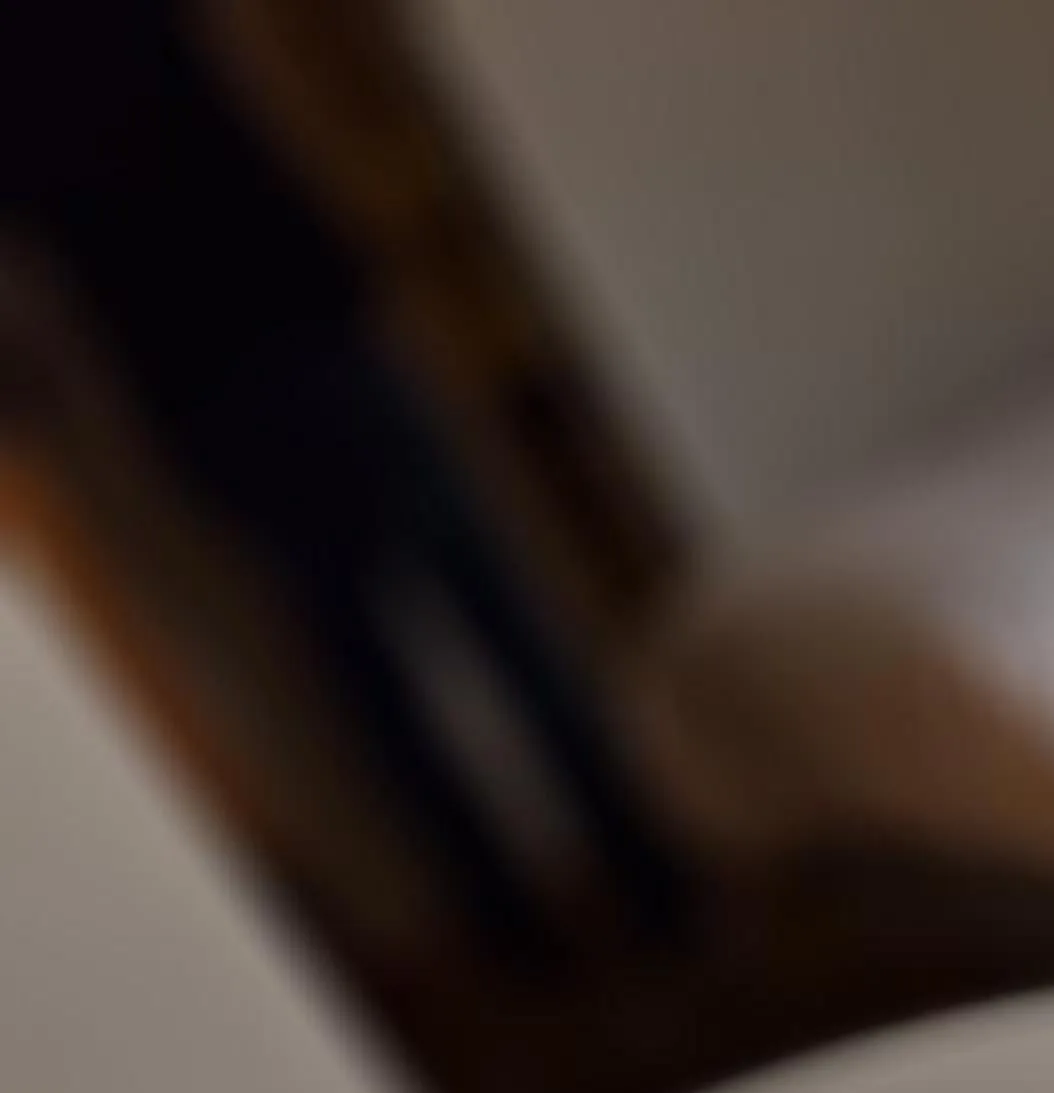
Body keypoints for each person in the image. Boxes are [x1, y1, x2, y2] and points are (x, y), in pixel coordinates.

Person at [0, 3, 687, 961]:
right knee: (479, 604)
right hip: (295, 323)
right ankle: (646, 873)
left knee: (374, 665)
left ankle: (524, 927)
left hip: (203, 378)